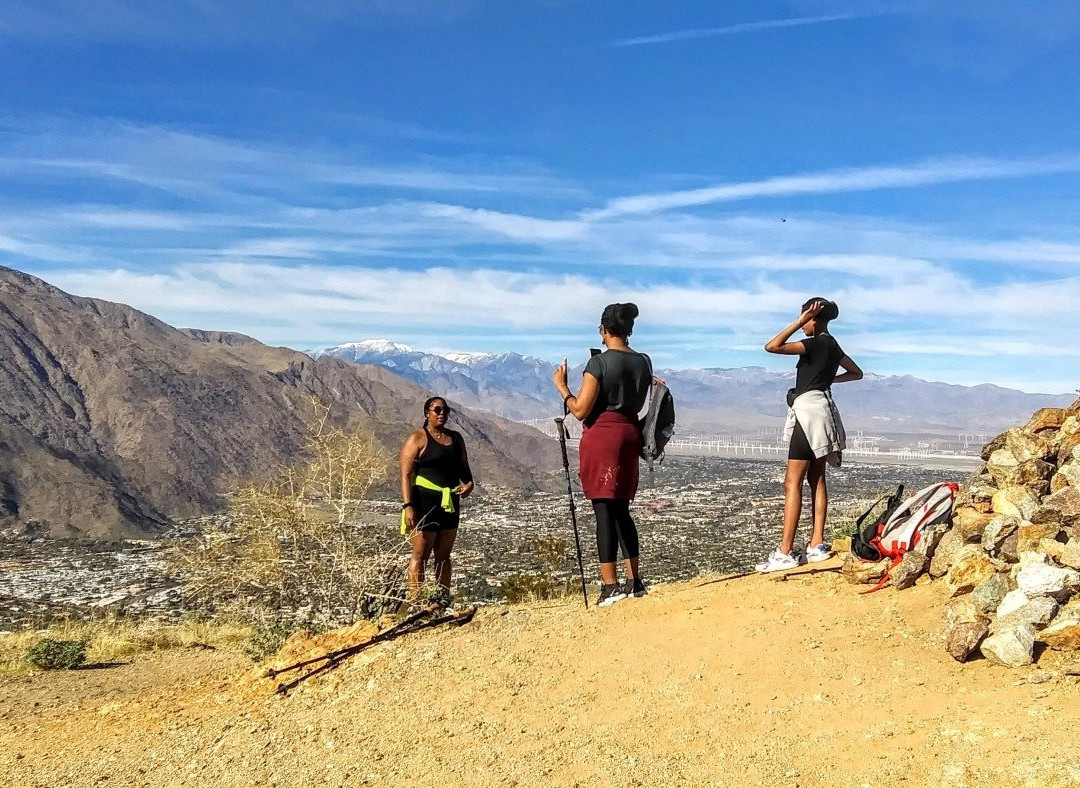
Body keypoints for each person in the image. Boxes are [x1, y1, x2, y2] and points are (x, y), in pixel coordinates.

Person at [553, 302, 655, 607]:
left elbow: (581, 410)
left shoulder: (598, 365)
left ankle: (610, 586)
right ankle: (634, 580)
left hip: (603, 436)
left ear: (603, 330)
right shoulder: (644, 361)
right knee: (622, 508)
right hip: (630, 435)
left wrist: (562, 387)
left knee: (604, 510)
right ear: (629, 329)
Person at [757, 297, 863, 572]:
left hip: (807, 414)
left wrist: (799, 323)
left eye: (804, 317)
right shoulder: (832, 345)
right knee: (817, 479)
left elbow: (772, 346)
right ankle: (816, 544)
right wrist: (828, 381)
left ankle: (785, 551)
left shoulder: (814, 343)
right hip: (824, 410)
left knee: (792, 482)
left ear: (812, 317)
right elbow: (856, 373)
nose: (803, 323)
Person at [399, 396, 474, 606]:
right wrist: (408, 506)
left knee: (444, 555)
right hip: (424, 502)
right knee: (420, 554)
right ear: (427, 413)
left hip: (449, 502)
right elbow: (405, 474)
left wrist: (469, 485)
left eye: (446, 410)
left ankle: (441, 601)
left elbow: (464, 469)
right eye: (437, 409)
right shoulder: (417, 439)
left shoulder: (456, 438)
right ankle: (417, 604)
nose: (442, 414)